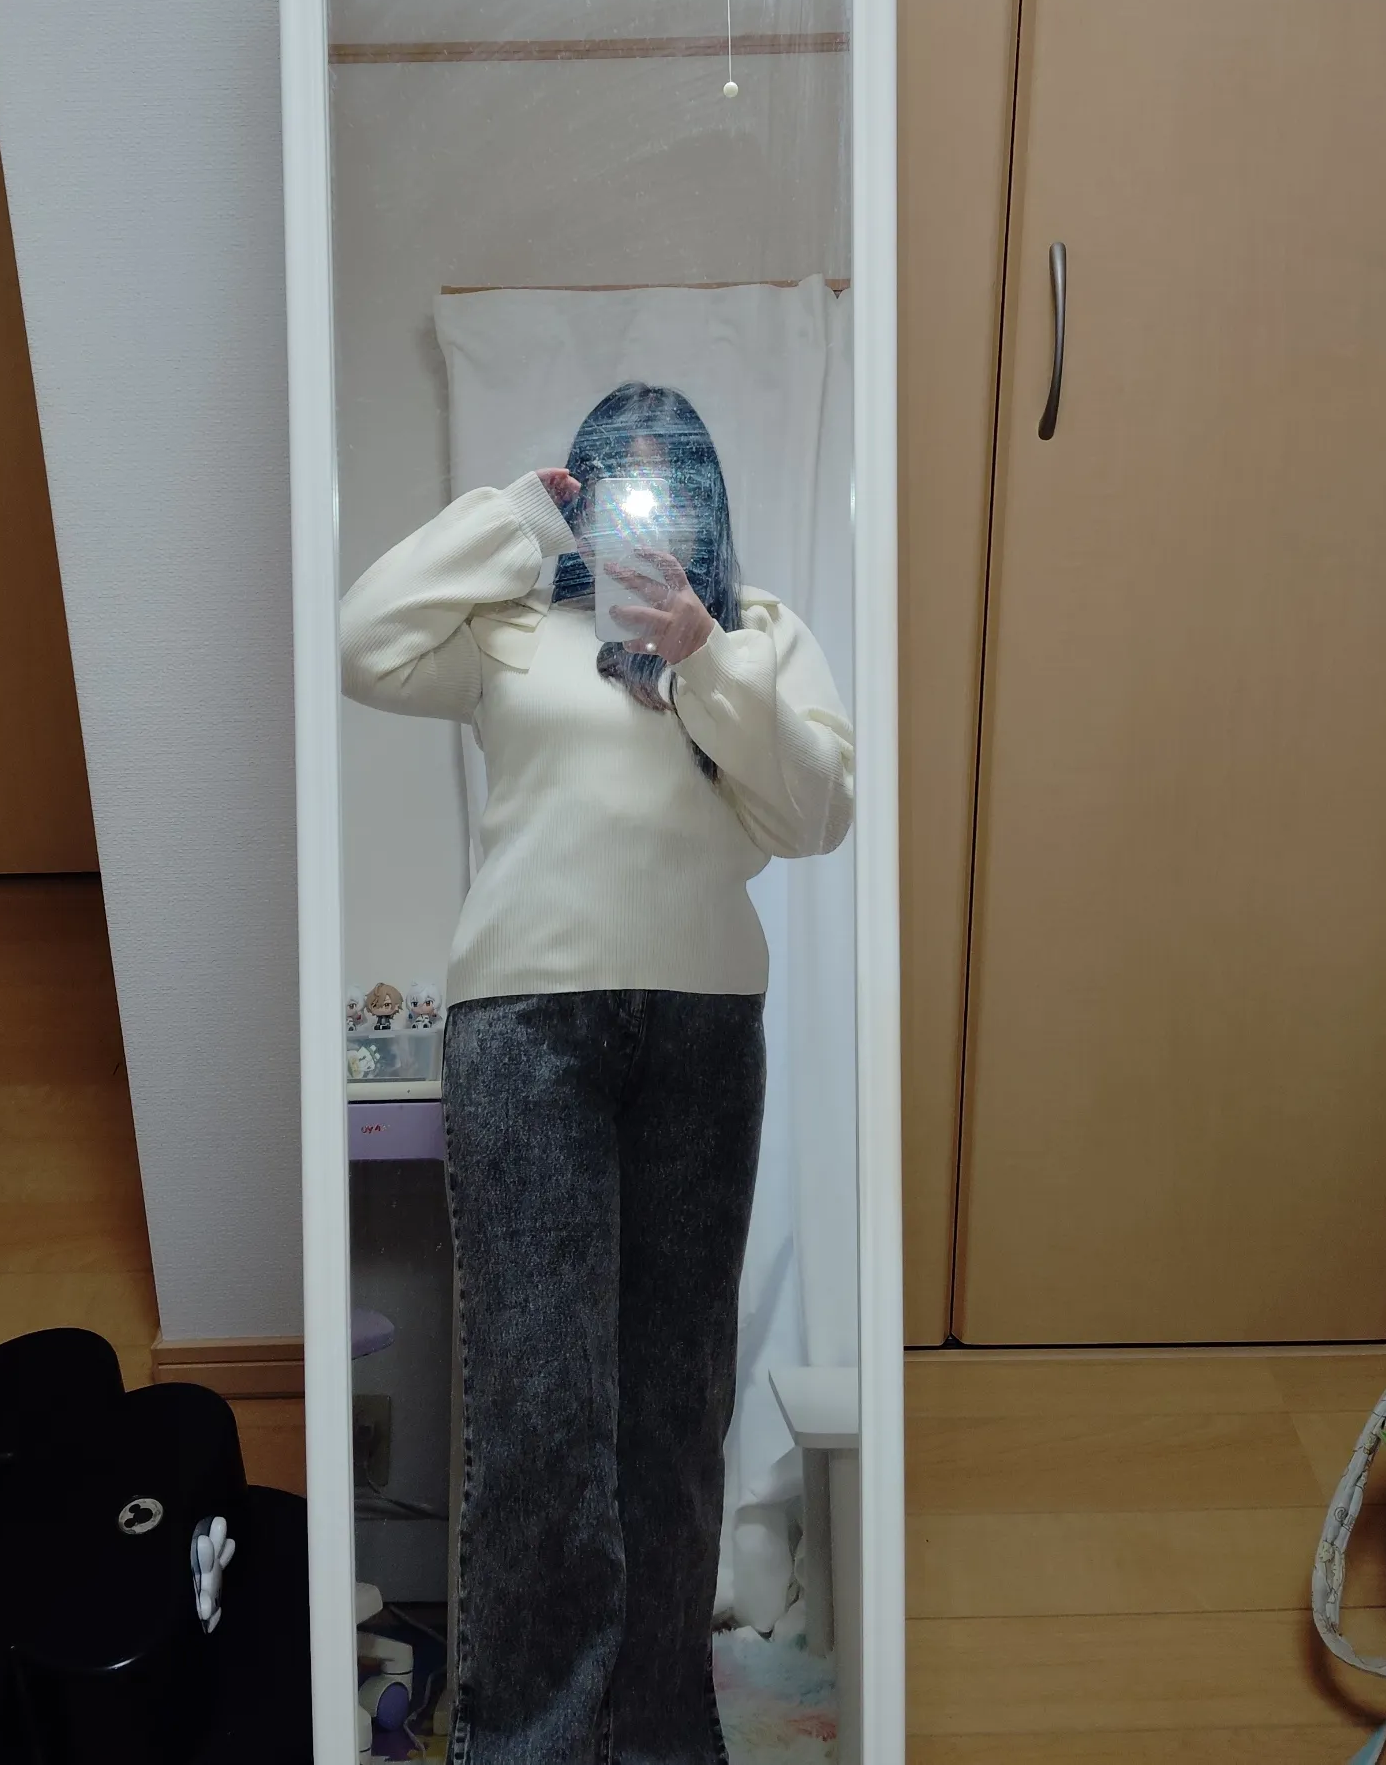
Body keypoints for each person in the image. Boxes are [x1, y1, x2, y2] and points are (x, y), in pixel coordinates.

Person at [340, 381, 853, 1765]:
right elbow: (363, 639)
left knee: (677, 1400)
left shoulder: (757, 637)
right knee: (538, 1406)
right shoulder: (512, 626)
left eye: (665, 478)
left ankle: (661, 1730)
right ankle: (529, 1739)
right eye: (611, 479)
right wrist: (514, 517)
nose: (642, 505)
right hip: (527, 1027)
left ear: (705, 501)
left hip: (702, 1031)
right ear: (580, 493)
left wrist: (700, 658)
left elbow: (816, 811)